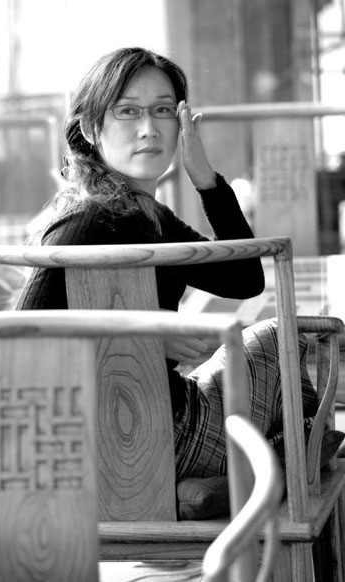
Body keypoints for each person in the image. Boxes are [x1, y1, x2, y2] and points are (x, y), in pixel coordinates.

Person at [17, 47, 317, 479]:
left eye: (162, 111)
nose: (149, 129)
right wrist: (145, 339)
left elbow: (244, 278)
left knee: (280, 343)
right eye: (128, 111)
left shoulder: (146, 214)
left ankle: (277, 463)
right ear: (90, 128)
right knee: (281, 343)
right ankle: (281, 465)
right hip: (135, 436)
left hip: (157, 413)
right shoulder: (87, 218)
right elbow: (21, 342)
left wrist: (207, 181)